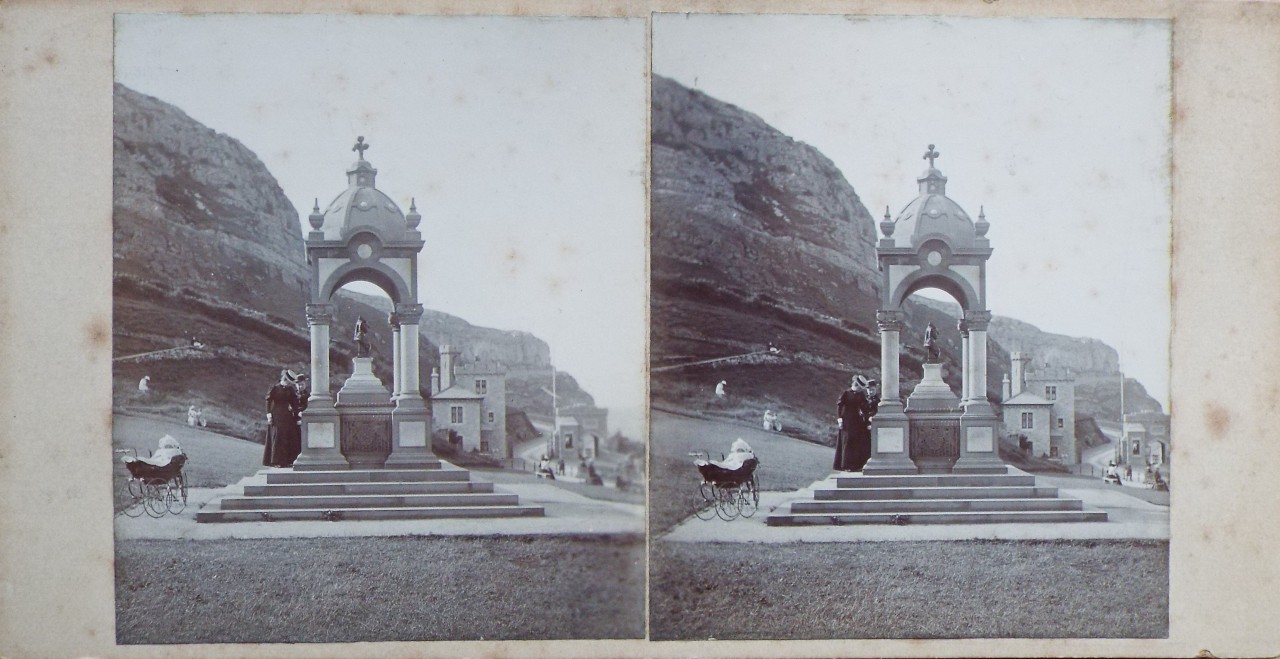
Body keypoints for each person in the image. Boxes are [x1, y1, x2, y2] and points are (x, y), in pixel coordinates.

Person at [833, 375, 874, 471]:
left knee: (856, 442)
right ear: (855, 384)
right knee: (847, 442)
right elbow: (840, 406)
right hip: (847, 420)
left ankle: (855, 465)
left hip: (857, 421)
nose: (859, 389)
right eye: (858, 386)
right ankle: (846, 465)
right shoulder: (846, 393)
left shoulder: (861, 395)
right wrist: (840, 419)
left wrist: (868, 418)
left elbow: (864, 408)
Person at [263, 369, 301, 467]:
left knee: (289, 436)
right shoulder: (275, 388)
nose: (289, 384)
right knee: (278, 436)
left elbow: (294, 403)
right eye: (289, 381)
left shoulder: (290, 390)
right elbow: (268, 400)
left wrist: (297, 415)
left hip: (287, 416)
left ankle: (288, 460)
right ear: (285, 379)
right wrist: (269, 415)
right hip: (277, 414)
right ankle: (277, 461)